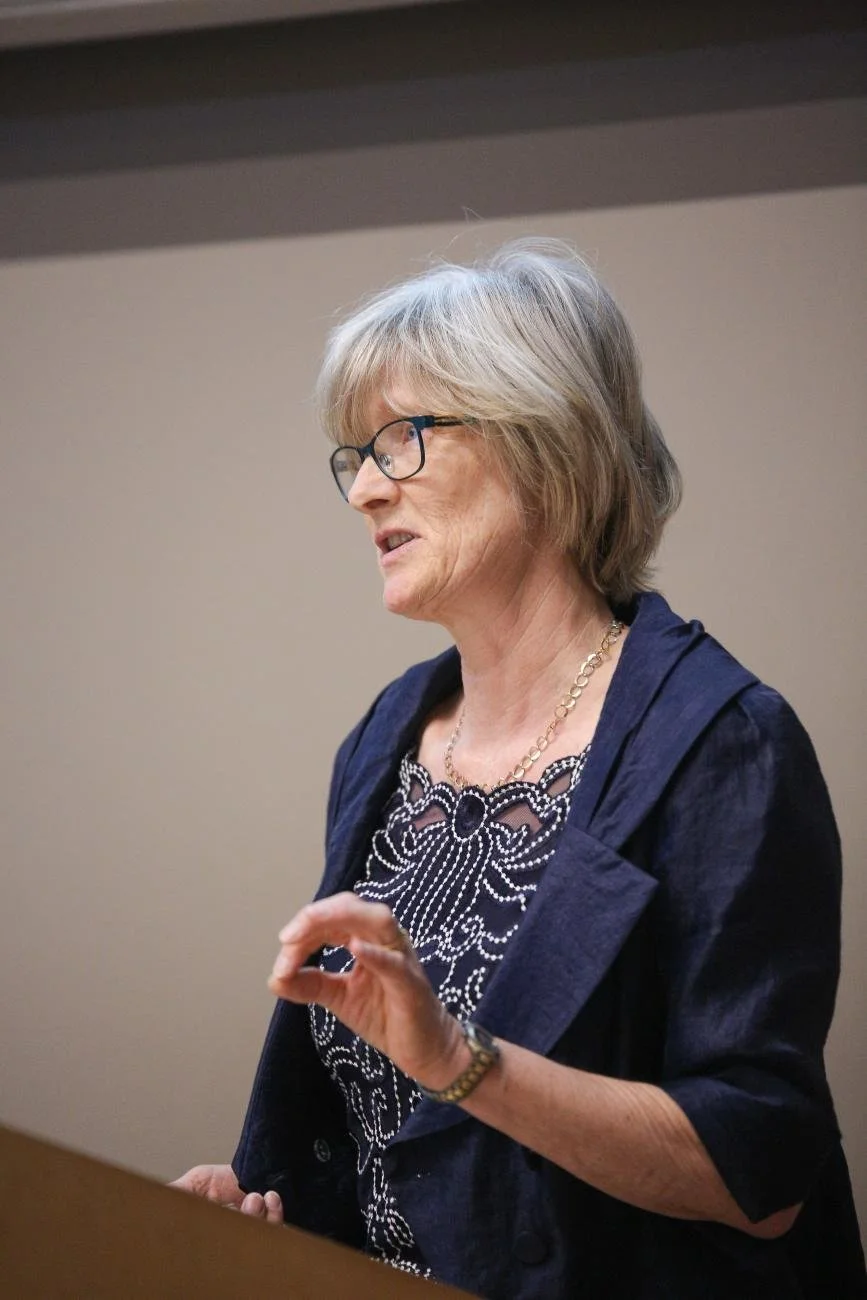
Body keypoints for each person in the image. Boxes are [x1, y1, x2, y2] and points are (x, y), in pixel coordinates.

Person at [174, 240, 866, 1298]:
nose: (363, 489)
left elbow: (760, 1164)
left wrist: (464, 1061)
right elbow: (386, 1140)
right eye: (353, 454)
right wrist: (277, 1212)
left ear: (543, 437)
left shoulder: (722, 742)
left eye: (401, 438)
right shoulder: (389, 734)